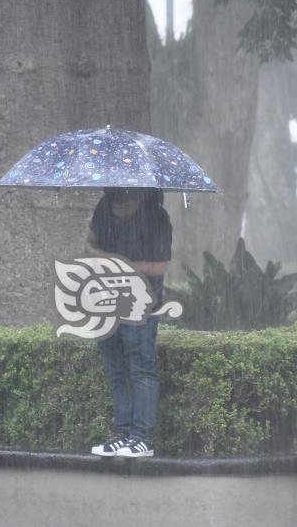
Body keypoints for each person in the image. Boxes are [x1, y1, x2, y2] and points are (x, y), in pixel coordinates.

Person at [86, 187, 172, 458]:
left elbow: (158, 268)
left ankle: (141, 437)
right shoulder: (103, 208)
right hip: (106, 293)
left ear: (142, 195)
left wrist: (120, 264)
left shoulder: (157, 218)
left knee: (140, 365)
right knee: (115, 368)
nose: (122, 206)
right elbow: (90, 246)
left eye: (129, 200)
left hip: (142, 295)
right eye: (118, 202)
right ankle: (122, 433)